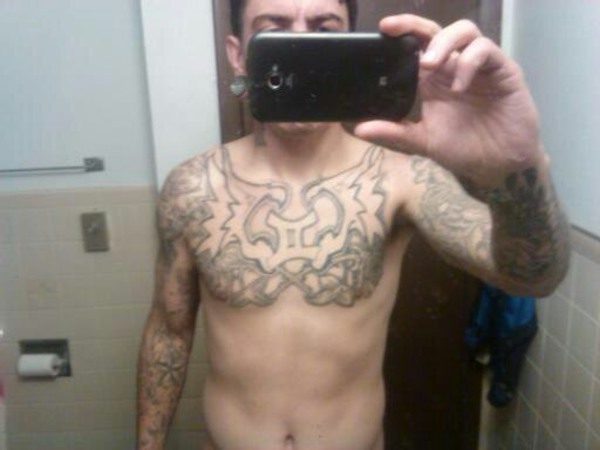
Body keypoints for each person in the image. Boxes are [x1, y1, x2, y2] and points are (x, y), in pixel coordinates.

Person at [136, 0, 570, 449]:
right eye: (275, 28)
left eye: (324, 30)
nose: (303, 49)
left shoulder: (402, 178)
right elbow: (169, 331)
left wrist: (518, 168)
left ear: (350, 47)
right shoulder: (192, 188)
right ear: (238, 54)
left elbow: (534, 276)